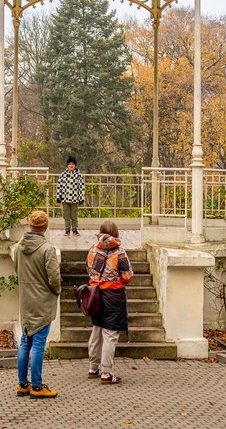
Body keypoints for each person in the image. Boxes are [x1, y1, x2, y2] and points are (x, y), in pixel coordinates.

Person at [15, 210, 61, 399]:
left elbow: (16, 270)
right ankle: (37, 385)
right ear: (45, 226)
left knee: (25, 341)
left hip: (26, 300)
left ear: (30, 225)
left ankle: (22, 384)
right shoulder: (47, 249)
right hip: (42, 301)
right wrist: (56, 290)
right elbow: (54, 278)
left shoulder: (18, 247)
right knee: (39, 343)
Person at [86, 220, 133, 384]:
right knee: (110, 334)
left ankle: (93, 368)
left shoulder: (93, 250)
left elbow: (90, 271)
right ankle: (106, 372)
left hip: (96, 294)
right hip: (114, 295)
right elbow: (127, 276)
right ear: (116, 233)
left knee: (96, 331)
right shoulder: (119, 252)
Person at [56, 155, 84, 235]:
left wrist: (81, 198)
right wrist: (58, 197)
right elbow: (59, 186)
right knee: (66, 215)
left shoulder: (79, 176)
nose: (71, 165)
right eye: (69, 164)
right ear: (67, 165)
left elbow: (81, 188)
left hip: (75, 199)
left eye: (73, 164)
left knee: (74, 215)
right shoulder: (62, 175)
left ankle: (75, 230)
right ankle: (67, 230)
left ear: (75, 165)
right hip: (64, 199)